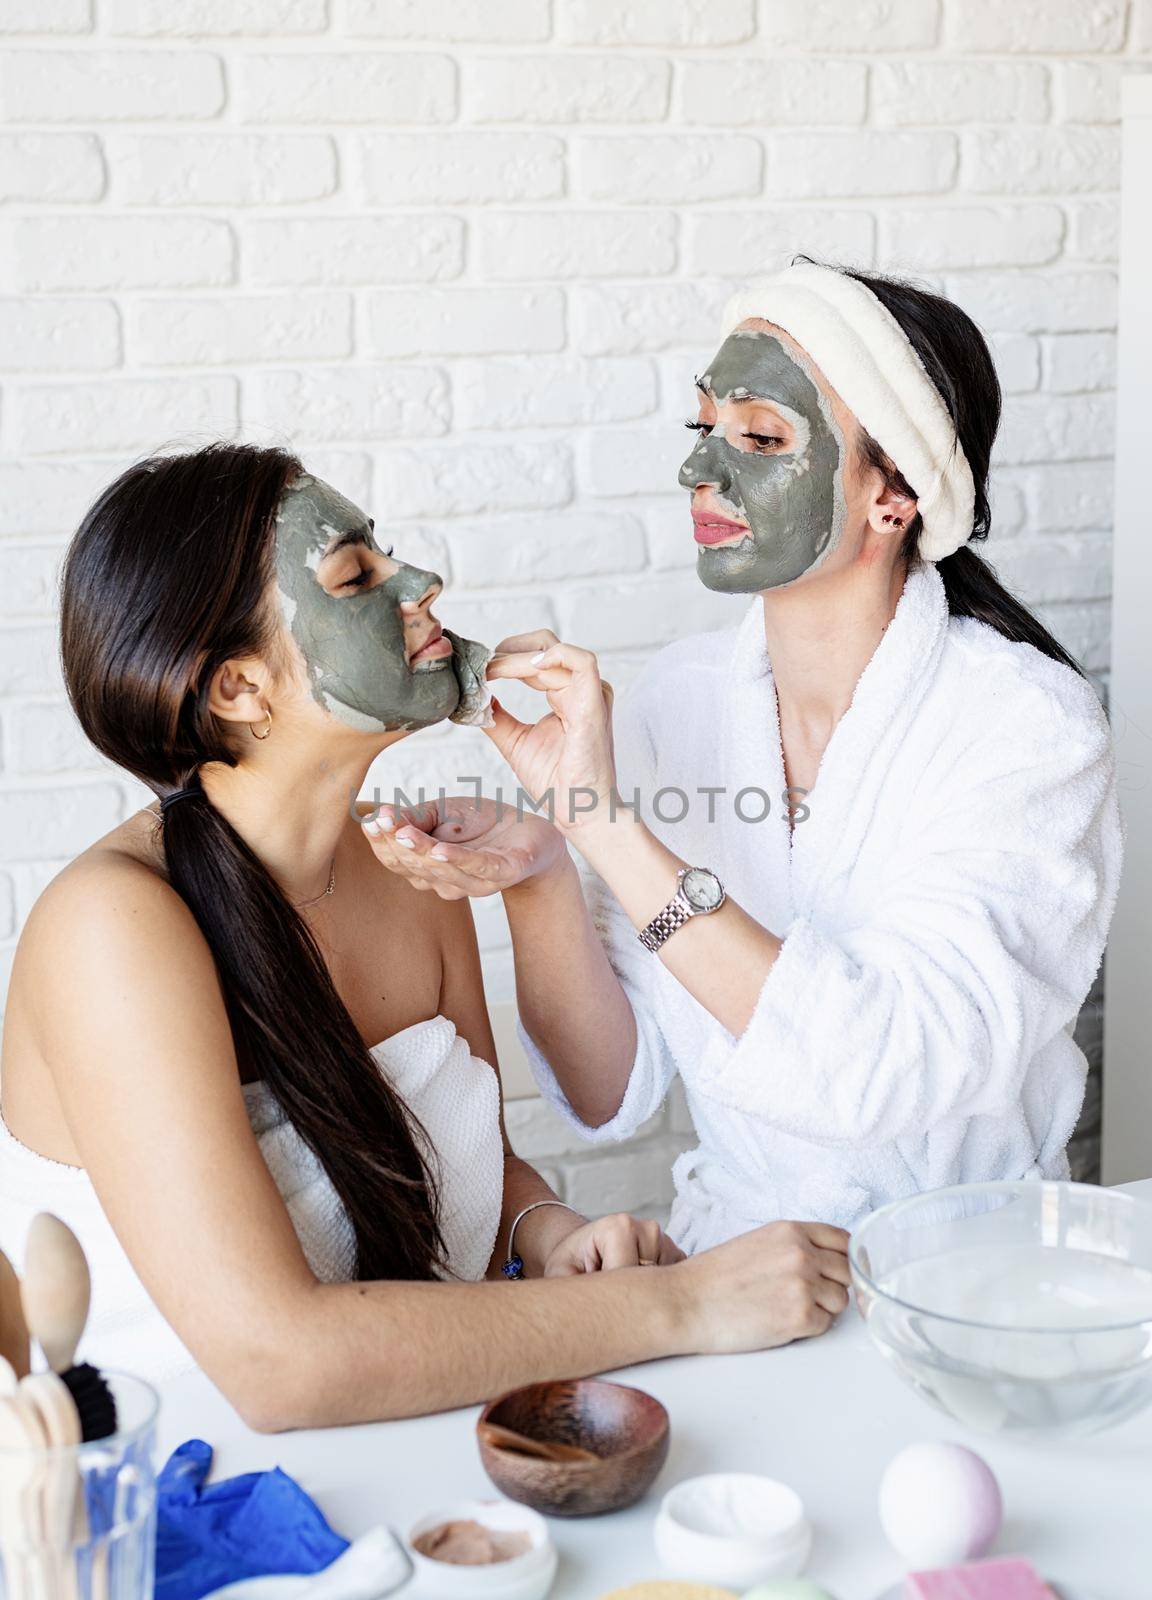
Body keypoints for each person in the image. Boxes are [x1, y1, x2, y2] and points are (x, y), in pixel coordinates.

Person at [0, 446, 851, 1427]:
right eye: (356, 576)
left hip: (427, 1467)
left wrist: (551, 1230)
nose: (422, 584)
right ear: (238, 689)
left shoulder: (417, 875)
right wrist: (683, 1303)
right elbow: (282, 1365)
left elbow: (471, 1196)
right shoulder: (113, 932)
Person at [363, 261, 1122, 1255]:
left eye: (761, 438)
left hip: (971, 1279)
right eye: (703, 428)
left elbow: (882, 1070)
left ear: (893, 494)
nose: (699, 471)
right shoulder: (679, 706)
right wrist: (547, 869)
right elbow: (607, 1089)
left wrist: (603, 822)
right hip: (742, 1274)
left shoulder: (1027, 731)